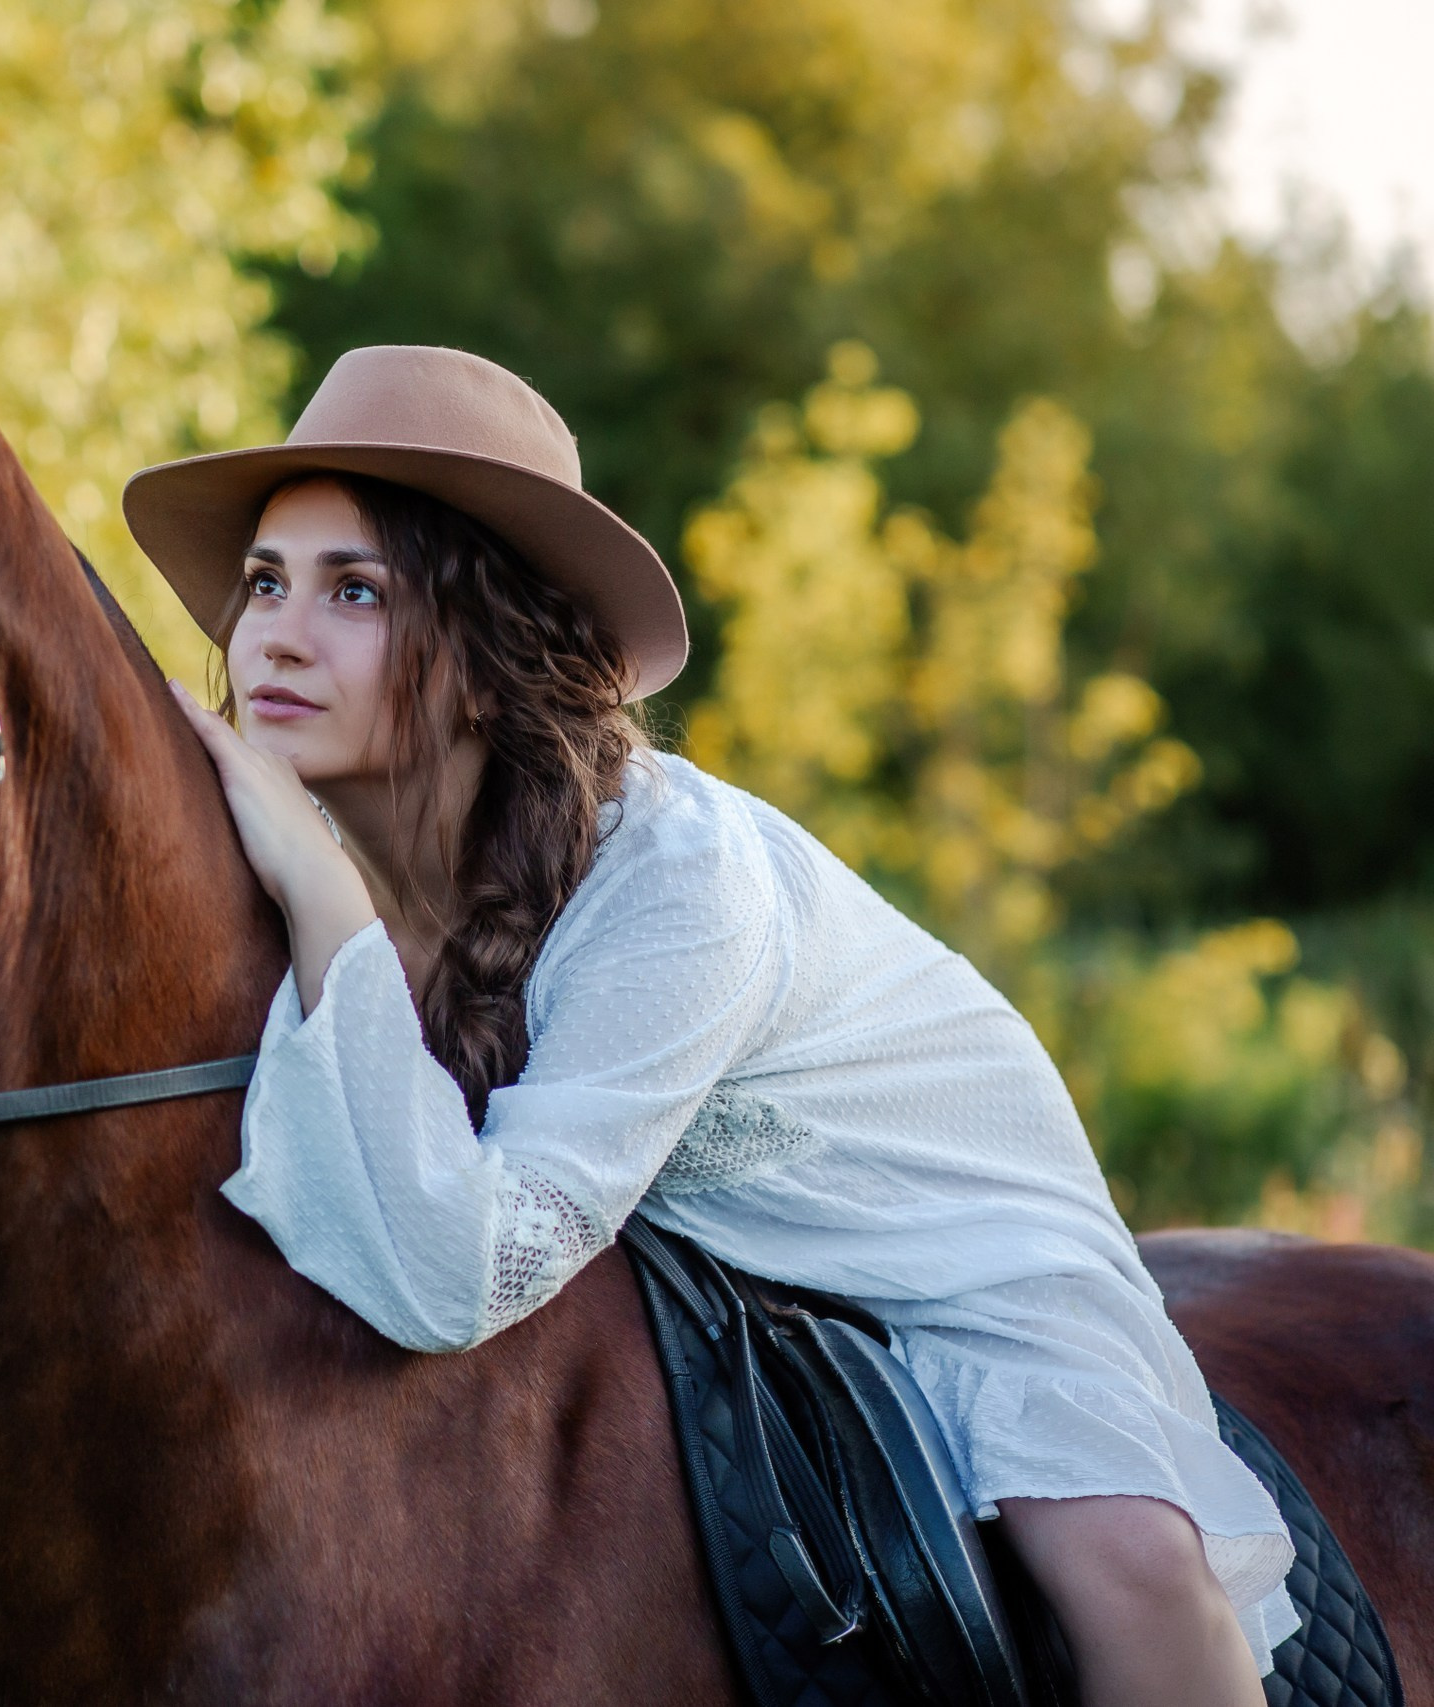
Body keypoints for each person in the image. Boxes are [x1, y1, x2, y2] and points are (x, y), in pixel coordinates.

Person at [120, 345, 1295, 1706]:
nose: (274, 633)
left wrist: (326, 901)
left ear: (491, 657)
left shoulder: (676, 880)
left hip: (935, 1219)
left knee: (1121, 1555)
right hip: (678, 1231)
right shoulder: (283, 834)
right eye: (266, 580)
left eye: (356, 590)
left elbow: (465, 1274)